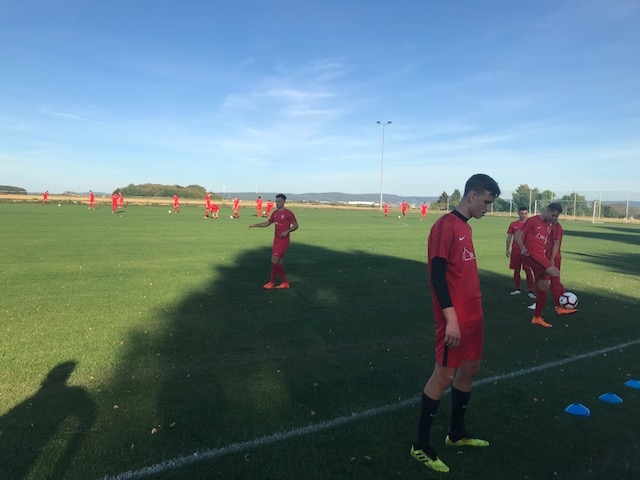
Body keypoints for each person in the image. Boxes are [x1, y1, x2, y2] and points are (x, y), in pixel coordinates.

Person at [411, 174, 500, 474]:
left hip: (474, 315)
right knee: (444, 375)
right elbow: (437, 275)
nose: (488, 208)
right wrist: (451, 319)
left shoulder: (465, 227)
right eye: (486, 201)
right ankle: (420, 445)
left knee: (470, 369)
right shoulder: (445, 226)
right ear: (472, 195)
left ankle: (456, 434)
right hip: (455, 320)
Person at [514, 203, 576, 328]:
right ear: (547, 210)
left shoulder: (549, 224)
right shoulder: (532, 221)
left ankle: (536, 318)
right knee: (555, 272)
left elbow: (555, 237)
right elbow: (518, 236)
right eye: (553, 215)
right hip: (531, 255)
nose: (554, 218)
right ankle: (558, 306)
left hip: (540, 256)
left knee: (543, 287)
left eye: (556, 216)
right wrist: (523, 248)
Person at [248, 194, 298, 290]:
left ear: (283, 202)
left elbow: (296, 225)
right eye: (276, 201)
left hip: (284, 241)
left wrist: (287, 231)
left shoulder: (288, 213)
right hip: (276, 240)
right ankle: (285, 283)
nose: (277, 203)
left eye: (279, 201)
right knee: (279, 263)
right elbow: (267, 223)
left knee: (274, 260)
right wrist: (255, 225)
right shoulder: (275, 213)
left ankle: (271, 283)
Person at [505, 207, 535, 298]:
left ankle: (531, 290)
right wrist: (507, 249)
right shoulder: (513, 224)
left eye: (525, 213)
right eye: (522, 213)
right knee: (516, 270)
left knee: (528, 270)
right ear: (518, 213)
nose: (523, 215)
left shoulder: (530, 225)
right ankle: (517, 289)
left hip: (526, 251)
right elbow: (509, 237)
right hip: (516, 250)